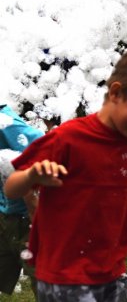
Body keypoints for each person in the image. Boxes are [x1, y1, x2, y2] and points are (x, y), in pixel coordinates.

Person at [4, 50, 127, 302]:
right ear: (116, 93)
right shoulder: (68, 138)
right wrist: (31, 175)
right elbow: (11, 188)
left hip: (111, 273)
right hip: (64, 276)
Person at [0, 104, 44, 298]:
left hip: (26, 219)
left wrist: (34, 210)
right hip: (5, 215)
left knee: (45, 281)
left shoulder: (8, 125)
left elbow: (41, 155)